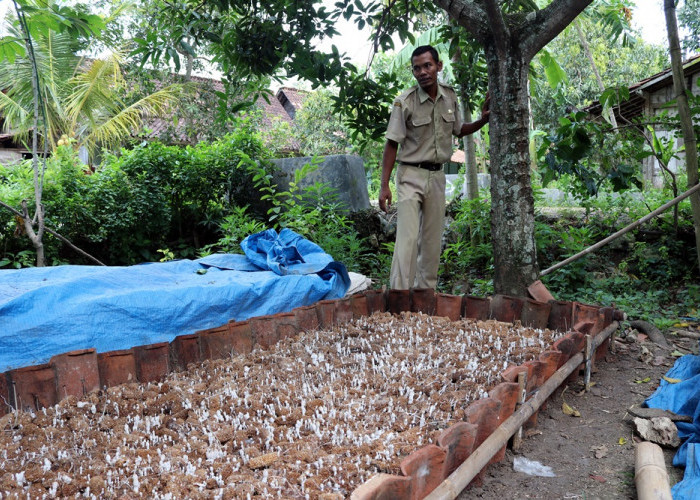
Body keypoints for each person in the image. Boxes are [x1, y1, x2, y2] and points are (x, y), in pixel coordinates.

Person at [379, 44, 490, 290]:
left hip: (437, 176)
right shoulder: (404, 102)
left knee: (431, 241)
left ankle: (424, 294)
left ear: (438, 67)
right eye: (416, 68)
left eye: (427, 65)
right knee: (407, 240)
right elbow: (391, 144)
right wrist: (384, 185)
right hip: (410, 175)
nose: (422, 72)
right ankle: (398, 295)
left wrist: (483, 120)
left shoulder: (449, 97)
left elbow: (459, 130)